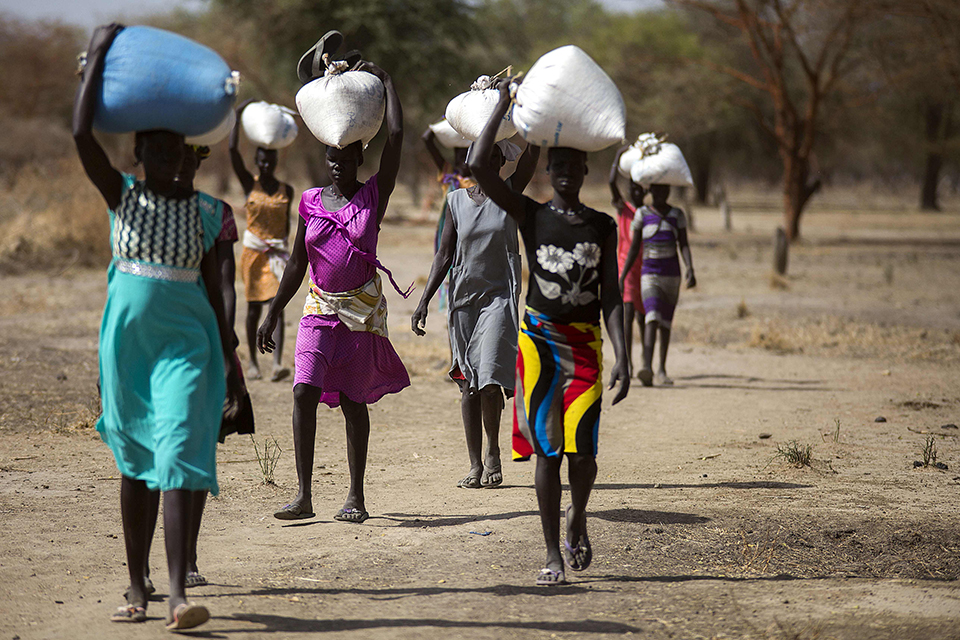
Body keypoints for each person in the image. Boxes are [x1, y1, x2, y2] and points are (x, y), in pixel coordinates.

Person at [73, 24, 241, 630]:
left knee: (175, 455)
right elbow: (79, 131)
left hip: (187, 349)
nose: (171, 165)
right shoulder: (121, 197)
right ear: (138, 156)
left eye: (180, 154)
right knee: (135, 464)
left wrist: (230, 361)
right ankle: (137, 586)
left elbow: (221, 299)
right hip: (128, 352)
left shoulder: (208, 213)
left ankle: (176, 594)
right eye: (159, 155)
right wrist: (96, 56)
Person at [468, 80, 630, 586]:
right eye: (555, 167)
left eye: (572, 167)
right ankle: (551, 553)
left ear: (585, 171)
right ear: (548, 171)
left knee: (583, 452)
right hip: (537, 343)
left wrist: (623, 354)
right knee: (547, 451)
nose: (564, 174)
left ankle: (577, 516)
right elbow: (477, 168)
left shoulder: (601, 226)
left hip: (584, 345)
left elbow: (610, 296)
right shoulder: (529, 213)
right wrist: (500, 105)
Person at [258, 61, 410, 524]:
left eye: (345, 157)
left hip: (361, 313)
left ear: (360, 157)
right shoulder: (308, 202)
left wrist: (387, 82)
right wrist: (272, 310)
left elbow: (398, 140)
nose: (337, 163)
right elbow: (298, 263)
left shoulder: (374, 196)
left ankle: (356, 496)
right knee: (304, 391)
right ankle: (303, 495)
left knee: (351, 400)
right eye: (331, 157)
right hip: (320, 308)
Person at [411, 136, 540, 489]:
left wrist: (531, 120)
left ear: (500, 163)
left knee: (488, 381)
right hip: (463, 300)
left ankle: (494, 451)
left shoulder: (510, 194)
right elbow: (444, 255)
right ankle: (474, 463)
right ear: (471, 160)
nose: (488, 161)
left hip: (499, 298)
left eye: (496, 156)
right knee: (467, 384)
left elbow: (531, 156)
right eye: (483, 155)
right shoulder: (455, 201)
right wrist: (424, 300)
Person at [230, 101, 294, 382]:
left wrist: (286, 249)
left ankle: (277, 363)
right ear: (256, 162)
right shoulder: (249, 184)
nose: (266, 164)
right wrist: (236, 117)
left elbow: (289, 224)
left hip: (277, 254)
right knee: (254, 307)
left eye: (270, 160)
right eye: (262, 160)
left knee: (276, 306)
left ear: (277, 162)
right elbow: (232, 152)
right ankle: (254, 363)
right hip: (253, 254)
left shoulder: (287, 190)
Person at [619, 183, 697, 386]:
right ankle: (647, 367)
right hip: (649, 274)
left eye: (664, 190)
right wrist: (623, 275)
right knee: (651, 317)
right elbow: (634, 247)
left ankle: (662, 368)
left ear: (669, 191)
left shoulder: (677, 214)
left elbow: (684, 244)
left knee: (666, 324)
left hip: (672, 275)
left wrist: (690, 268)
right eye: (657, 190)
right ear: (650, 191)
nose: (660, 194)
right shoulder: (642, 214)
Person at [609, 145, 647, 377]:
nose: (635, 192)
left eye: (640, 189)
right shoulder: (625, 209)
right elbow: (612, 183)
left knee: (644, 315)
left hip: (646, 268)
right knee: (628, 313)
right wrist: (617, 157)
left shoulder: (649, 212)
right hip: (625, 266)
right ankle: (628, 362)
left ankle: (645, 359)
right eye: (632, 188)